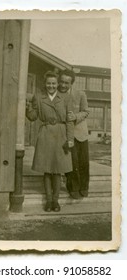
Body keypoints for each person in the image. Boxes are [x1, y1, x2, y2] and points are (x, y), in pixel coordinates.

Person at [26, 71, 74, 212]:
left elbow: (70, 121)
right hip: (46, 134)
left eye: (53, 83)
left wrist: (70, 139)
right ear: (45, 84)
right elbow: (33, 117)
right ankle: (48, 201)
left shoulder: (66, 98)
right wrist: (27, 107)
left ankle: (56, 201)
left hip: (61, 134)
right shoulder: (39, 97)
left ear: (57, 83)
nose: (51, 86)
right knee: (47, 170)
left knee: (58, 171)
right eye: (48, 83)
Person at [58, 69, 90, 199]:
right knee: (71, 163)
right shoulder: (57, 95)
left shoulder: (80, 94)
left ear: (72, 83)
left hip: (81, 133)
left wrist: (75, 116)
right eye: (62, 82)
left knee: (83, 162)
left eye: (67, 83)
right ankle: (73, 188)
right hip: (65, 135)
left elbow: (86, 111)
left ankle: (84, 187)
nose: (63, 85)